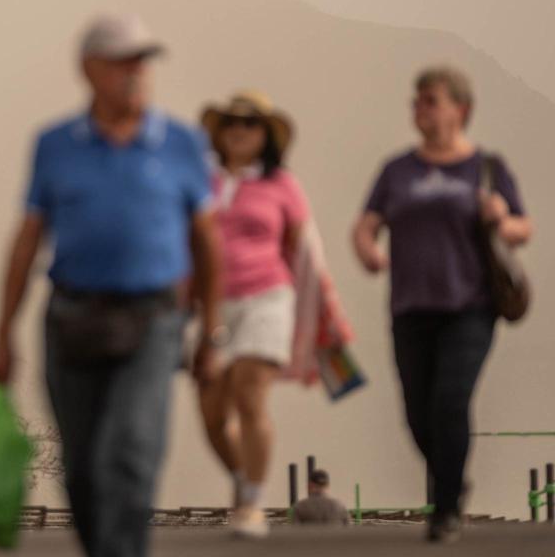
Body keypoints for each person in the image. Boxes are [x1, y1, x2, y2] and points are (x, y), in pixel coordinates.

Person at [0, 13, 223, 557]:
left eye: (143, 61)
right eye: (122, 62)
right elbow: (28, 240)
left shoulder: (182, 144)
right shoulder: (55, 145)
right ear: (89, 69)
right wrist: (4, 332)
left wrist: (211, 332)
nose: (135, 72)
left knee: (130, 450)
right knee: (83, 470)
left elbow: (207, 243)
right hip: (71, 319)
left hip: (154, 319)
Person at [351, 66, 532, 543]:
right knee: (418, 414)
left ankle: (446, 506)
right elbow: (366, 224)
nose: (420, 109)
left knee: (450, 401)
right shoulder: (397, 170)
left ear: (460, 110)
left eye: (431, 100)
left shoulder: (486, 168)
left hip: (469, 307)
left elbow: (523, 228)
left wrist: (501, 218)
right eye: (417, 101)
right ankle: (452, 475)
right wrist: (368, 250)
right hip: (410, 308)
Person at [195, 91, 310, 538]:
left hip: (266, 296)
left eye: (250, 123)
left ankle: (253, 502)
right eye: (231, 123)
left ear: (266, 135)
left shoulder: (282, 185)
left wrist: (314, 311)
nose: (239, 131)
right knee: (211, 414)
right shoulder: (202, 181)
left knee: (250, 393)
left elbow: (301, 247)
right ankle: (243, 478)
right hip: (212, 303)